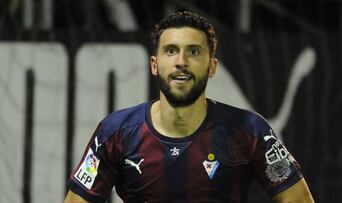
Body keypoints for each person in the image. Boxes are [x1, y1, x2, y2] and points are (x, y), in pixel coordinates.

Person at [64, 11, 314, 203]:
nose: (181, 62)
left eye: (193, 52)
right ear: (154, 64)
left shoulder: (250, 131)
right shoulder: (115, 133)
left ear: (212, 66)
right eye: (171, 51)